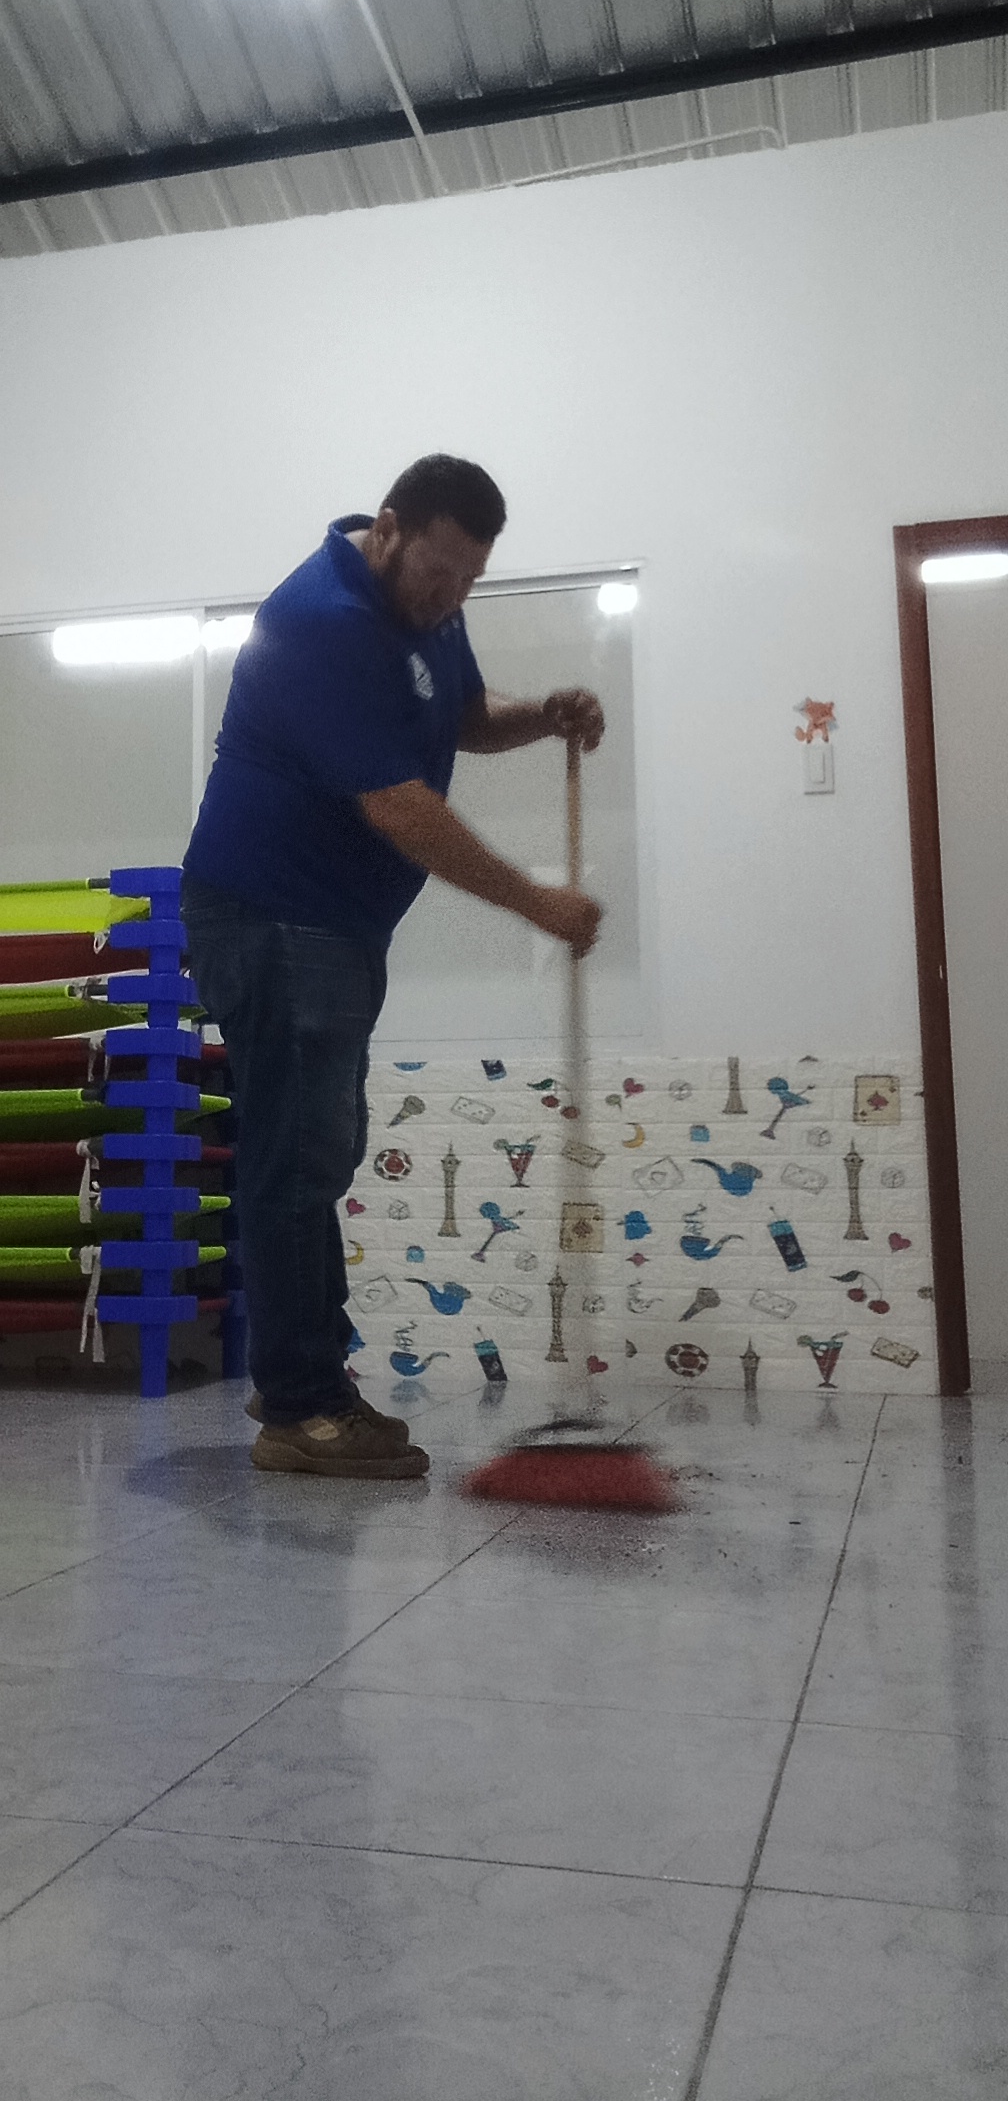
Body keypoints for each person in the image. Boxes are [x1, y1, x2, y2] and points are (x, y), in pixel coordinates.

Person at [182, 456, 604, 1481]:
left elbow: (460, 714)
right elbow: (401, 807)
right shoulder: (321, 622)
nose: (450, 596)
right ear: (388, 528)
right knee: (297, 1158)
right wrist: (536, 902)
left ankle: (305, 1378)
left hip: (328, 928)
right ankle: (302, 1409)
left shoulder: (424, 612)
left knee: (319, 1151)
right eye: (438, 573)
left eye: (469, 581)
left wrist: (542, 714)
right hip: (273, 919)